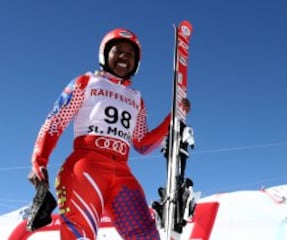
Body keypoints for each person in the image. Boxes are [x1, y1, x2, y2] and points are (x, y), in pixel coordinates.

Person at [28, 28, 190, 240]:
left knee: (146, 235)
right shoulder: (85, 82)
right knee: (80, 234)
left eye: (130, 54)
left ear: (137, 63)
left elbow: (141, 144)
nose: (124, 56)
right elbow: (56, 121)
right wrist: (39, 160)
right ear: (104, 55)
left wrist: (173, 117)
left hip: (121, 173)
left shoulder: (137, 99)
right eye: (118, 51)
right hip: (85, 169)